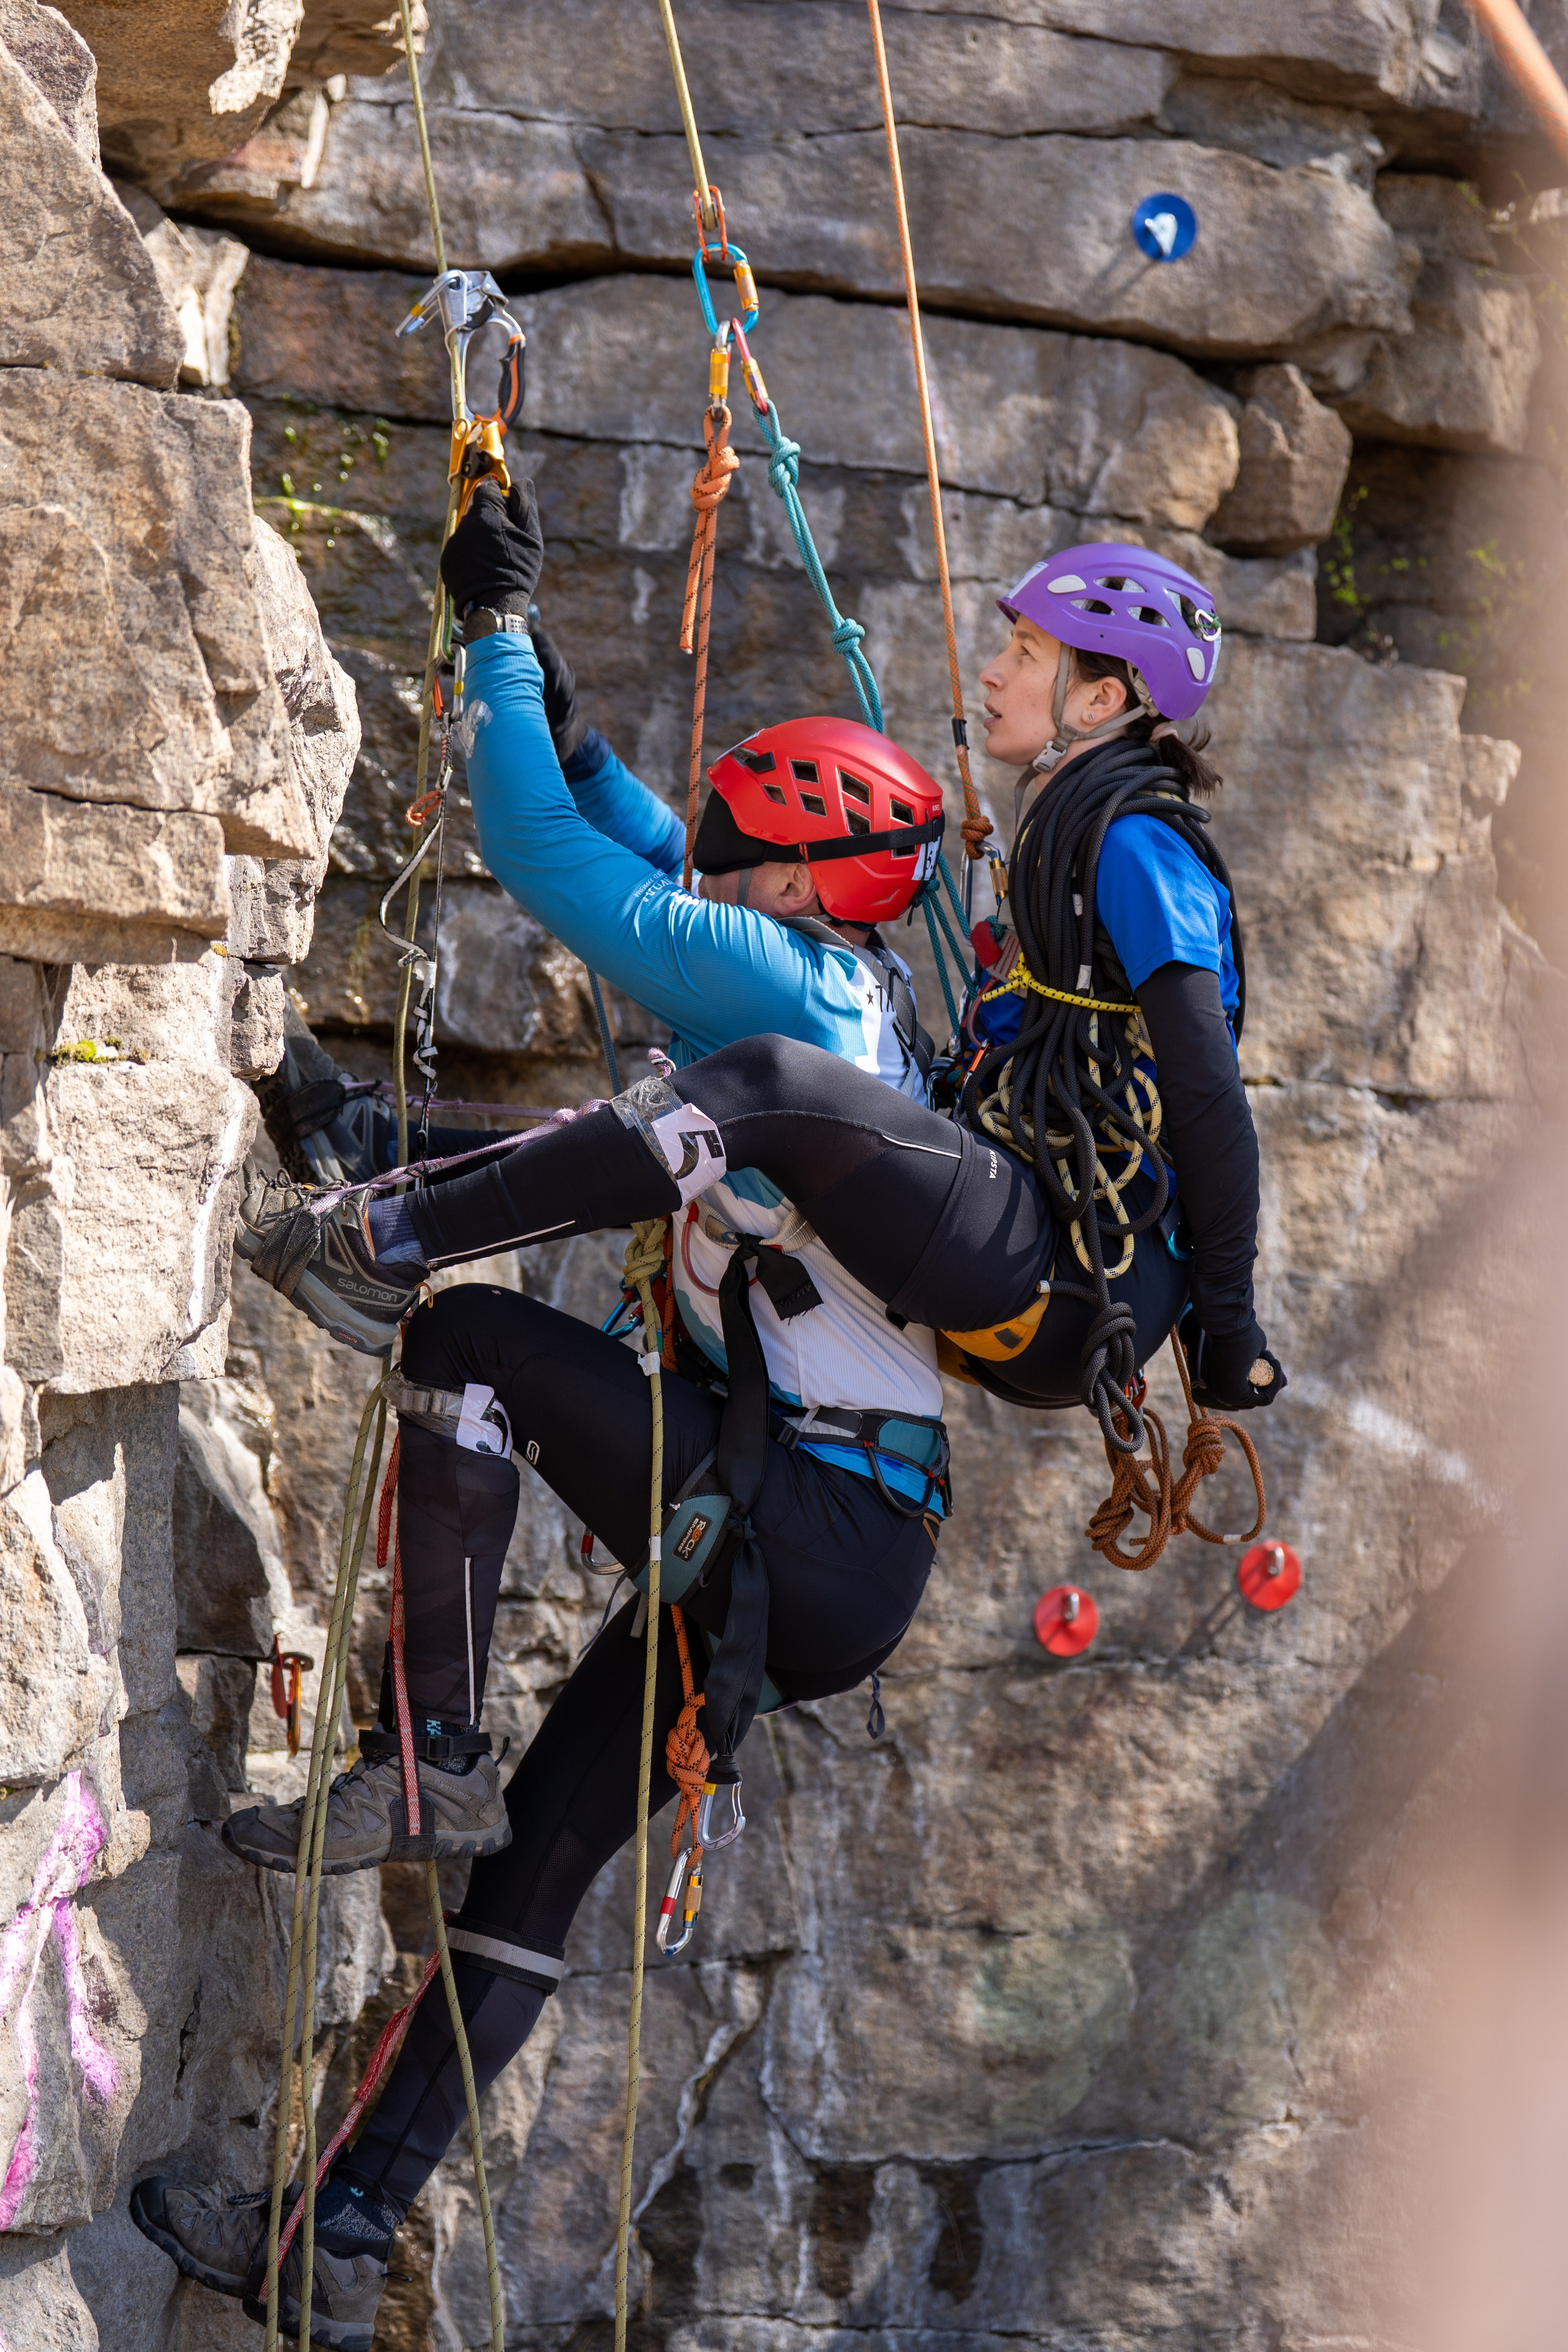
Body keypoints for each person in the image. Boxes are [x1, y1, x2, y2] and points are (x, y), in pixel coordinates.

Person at [133, 533, 1284, 2347]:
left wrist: (1228, 1321)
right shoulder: (860, 998)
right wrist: (355, 1098)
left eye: (1023, 651)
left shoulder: (990, 921)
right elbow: (686, 875)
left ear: (1106, 688)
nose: (990, 671)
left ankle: (427, 1746)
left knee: (471, 1337)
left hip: (814, 1507)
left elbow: (1194, 1071)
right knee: (536, 1872)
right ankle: (332, 2241)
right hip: (820, 1542)